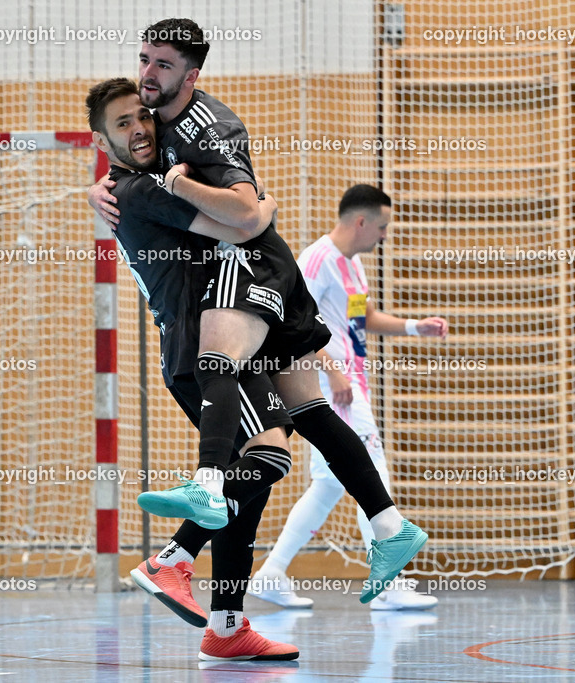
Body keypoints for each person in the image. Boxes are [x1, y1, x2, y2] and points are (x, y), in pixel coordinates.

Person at [89, 19, 429, 608]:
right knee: (300, 426)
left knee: (265, 438)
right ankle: (387, 528)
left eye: (161, 66)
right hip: (250, 286)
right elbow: (239, 213)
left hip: (251, 274)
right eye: (144, 60)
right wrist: (108, 185)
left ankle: (193, 538)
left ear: (190, 76)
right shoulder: (134, 180)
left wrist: (243, 204)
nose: (147, 78)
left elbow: (245, 217)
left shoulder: (200, 132)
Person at [86, 77, 298, 661]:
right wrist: (266, 209)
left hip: (222, 331)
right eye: (123, 124)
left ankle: (227, 628)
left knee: (245, 490)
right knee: (271, 455)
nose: (139, 129)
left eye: (142, 117)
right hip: (201, 342)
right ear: (102, 140)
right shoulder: (140, 189)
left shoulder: (138, 180)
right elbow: (244, 224)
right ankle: (172, 559)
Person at [250, 185, 448, 611]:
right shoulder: (316, 261)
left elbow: (363, 318)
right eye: (382, 227)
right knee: (371, 471)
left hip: (350, 381)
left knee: (328, 486)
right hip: (328, 384)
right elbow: (290, 322)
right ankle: (388, 583)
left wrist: (416, 327)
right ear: (361, 222)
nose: (384, 235)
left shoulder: (353, 266)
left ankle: (271, 573)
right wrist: (332, 370)